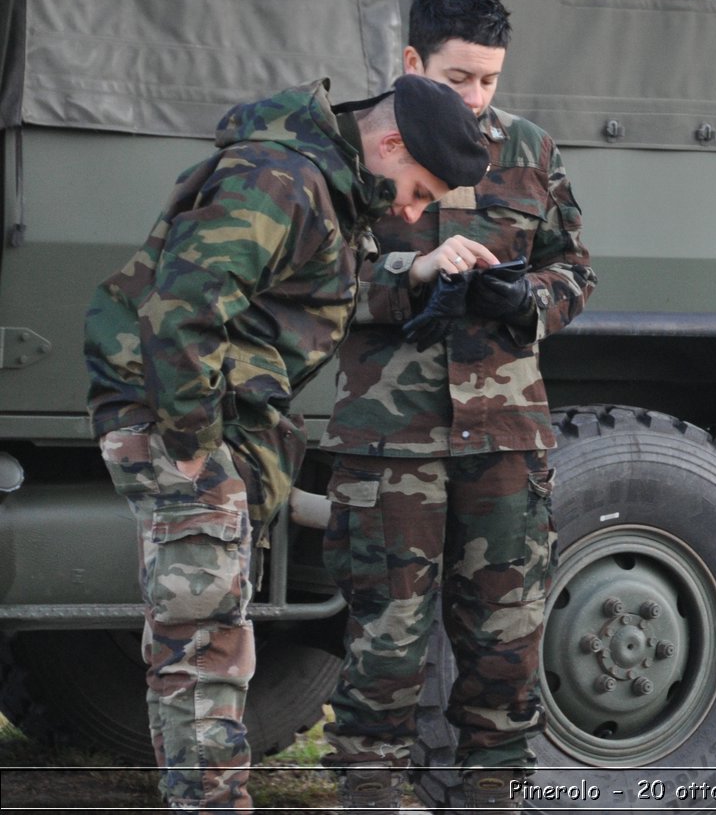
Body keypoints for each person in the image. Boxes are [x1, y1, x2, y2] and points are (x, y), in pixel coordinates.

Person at [84, 75, 490, 812]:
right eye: (420, 189)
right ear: (391, 141)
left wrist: (414, 274)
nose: (412, 209)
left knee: (208, 646)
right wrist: (201, 450)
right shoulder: (283, 179)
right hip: (179, 424)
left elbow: (304, 288)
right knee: (204, 651)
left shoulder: (323, 181)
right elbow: (182, 312)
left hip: (202, 424)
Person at [318, 0, 595, 812]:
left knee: (505, 664)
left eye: (489, 80)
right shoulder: (358, 146)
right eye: (457, 79)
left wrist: (533, 301)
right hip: (390, 446)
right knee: (382, 664)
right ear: (411, 60)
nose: (475, 99)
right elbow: (317, 281)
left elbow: (575, 268)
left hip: (505, 443)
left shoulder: (531, 152)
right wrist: (410, 274)